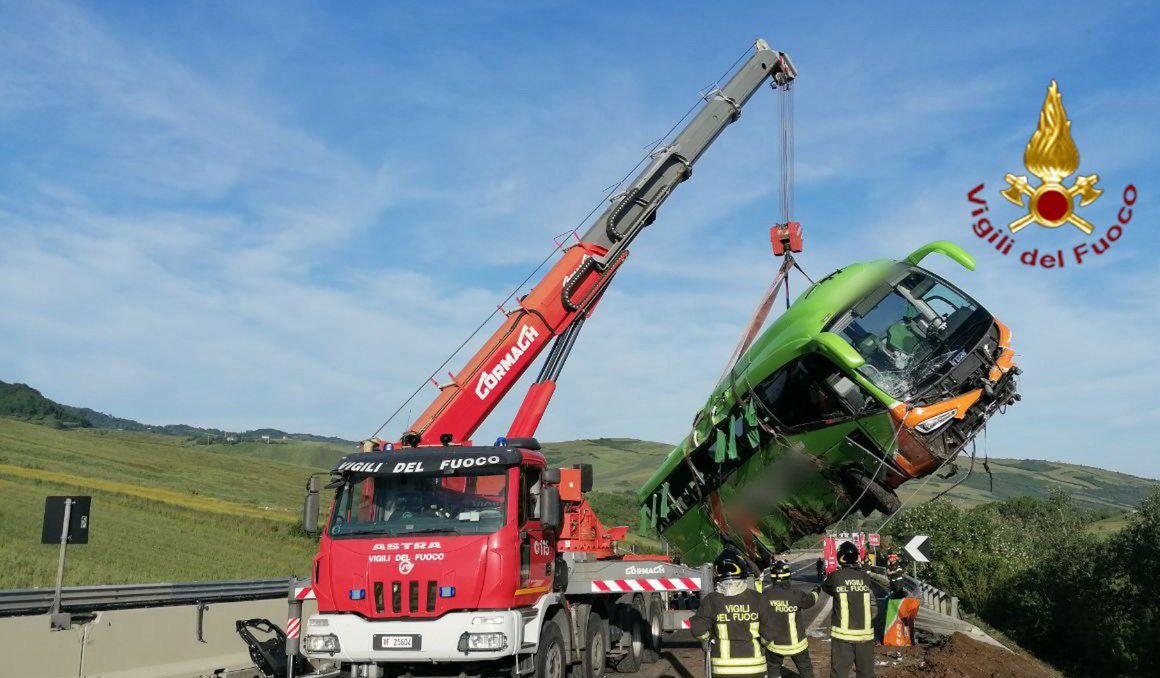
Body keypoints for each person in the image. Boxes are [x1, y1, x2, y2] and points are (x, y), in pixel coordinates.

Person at [689, 549, 772, 677]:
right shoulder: (758, 598)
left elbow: (698, 630)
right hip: (754, 667)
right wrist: (762, 642)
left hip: (723, 669)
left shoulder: (711, 599)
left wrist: (709, 637)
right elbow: (770, 632)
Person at [822, 542, 876, 678]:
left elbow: (826, 587)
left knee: (839, 673)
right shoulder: (865, 577)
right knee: (866, 673)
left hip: (843, 637)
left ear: (840, 557)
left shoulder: (836, 577)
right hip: (865, 636)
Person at [761, 560, 819, 678]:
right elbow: (810, 601)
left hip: (774, 645)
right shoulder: (796, 594)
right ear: (788, 576)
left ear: (772, 578)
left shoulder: (765, 595)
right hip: (797, 644)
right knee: (806, 669)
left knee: (773, 669)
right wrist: (816, 591)